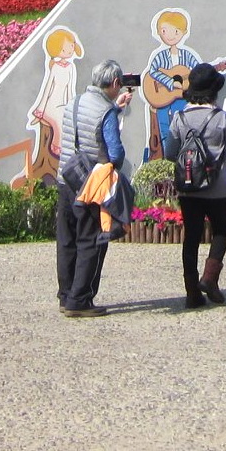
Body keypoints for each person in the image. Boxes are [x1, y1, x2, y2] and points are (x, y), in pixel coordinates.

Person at [56, 59, 133, 318]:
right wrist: (114, 112)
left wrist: (116, 108)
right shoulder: (106, 111)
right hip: (91, 185)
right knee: (90, 240)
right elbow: (115, 153)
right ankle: (81, 300)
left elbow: (86, 130)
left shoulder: (74, 102)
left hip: (65, 178)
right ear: (114, 83)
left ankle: (66, 295)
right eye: (119, 85)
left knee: (67, 239)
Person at [164, 63, 226, 308]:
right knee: (221, 231)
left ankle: (191, 293)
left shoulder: (179, 117)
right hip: (217, 186)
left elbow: (170, 153)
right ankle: (209, 279)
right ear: (214, 91)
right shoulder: (222, 118)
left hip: (188, 186)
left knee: (192, 236)